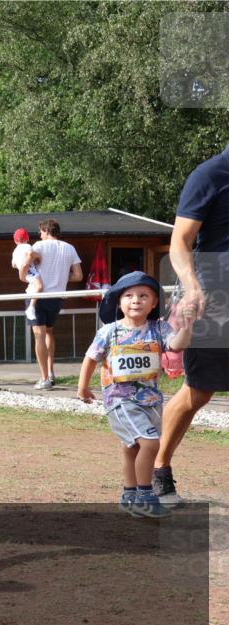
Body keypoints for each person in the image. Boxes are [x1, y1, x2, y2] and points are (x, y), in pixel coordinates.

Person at [77, 272, 195, 518]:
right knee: (150, 443)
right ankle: (145, 496)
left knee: (132, 449)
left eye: (144, 296)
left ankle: (129, 494)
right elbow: (91, 358)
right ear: (118, 302)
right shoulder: (109, 331)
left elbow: (177, 345)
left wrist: (187, 325)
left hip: (151, 401)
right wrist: (83, 387)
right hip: (120, 401)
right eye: (128, 295)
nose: (136, 300)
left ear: (154, 303)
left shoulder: (159, 328)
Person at [155, 143, 229, 506]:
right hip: (214, 300)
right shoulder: (210, 176)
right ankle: (158, 467)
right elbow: (180, 241)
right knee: (198, 392)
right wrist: (193, 287)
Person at [21, 219, 83, 389]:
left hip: (37, 296)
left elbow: (26, 263)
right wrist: (62, 277)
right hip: (57, 297)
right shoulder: (69, 248)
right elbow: (78, 275)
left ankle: (44, 378)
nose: (39, 235)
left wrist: (22, 270)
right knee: (48, 332)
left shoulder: (39, 246)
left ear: (46, 231)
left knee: (39, 335)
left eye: (41, 231)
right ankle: (51, 371)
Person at [11, 228, 42, 321]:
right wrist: (38, 257)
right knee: (39, 286)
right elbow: (31, 254)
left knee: (34, 286)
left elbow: (13, 265)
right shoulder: (27, 246)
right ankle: (31, 308)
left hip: (23, 271)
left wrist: (20, 267)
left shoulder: (15, 251)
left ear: (15, 241)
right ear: (27, 238)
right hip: (30, 270)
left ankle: (31, 303)